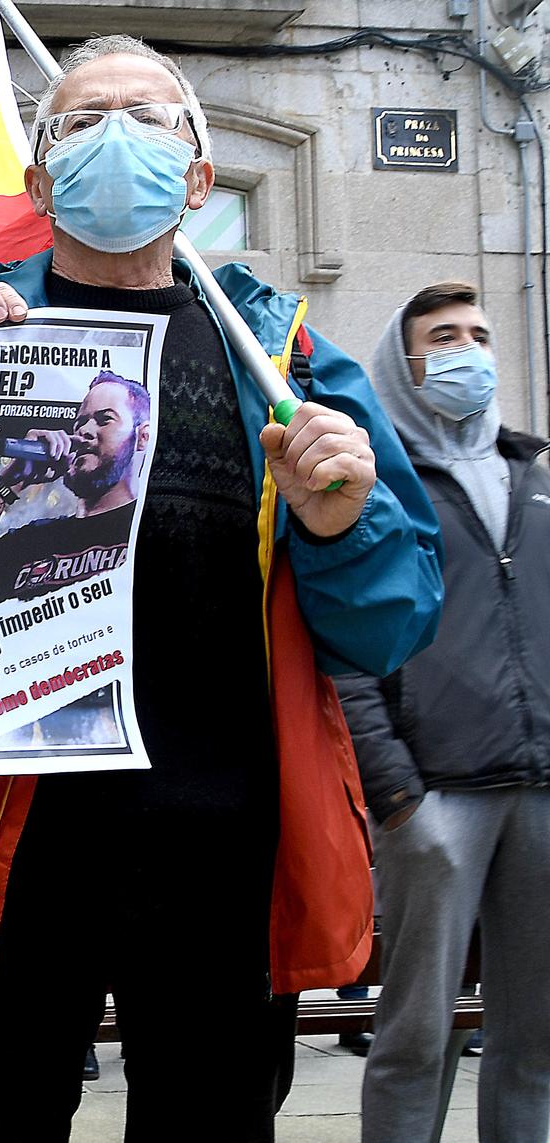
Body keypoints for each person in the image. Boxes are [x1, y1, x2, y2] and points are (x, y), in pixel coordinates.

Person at [0, 35, 442, 1142]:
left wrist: (341, 522)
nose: (114, 142)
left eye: (146, 121)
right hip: (0, 851)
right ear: (38, 181)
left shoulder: (280, 362)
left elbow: (388, 623)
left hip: (221, 856)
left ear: (196, 177)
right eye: (82, 121)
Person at [339, 280, 550, 1143]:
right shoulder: (379, 481)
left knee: (534, 1039)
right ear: (406, 358)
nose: (468, 352)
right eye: (444, 337)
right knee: (416, 1036)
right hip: (435, 800)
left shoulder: (532, 472)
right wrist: (398, 795)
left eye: (479, 335)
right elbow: (349, 645)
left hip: (539, 790)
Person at [0, 372, 149, 616]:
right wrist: (10, 482)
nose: (84, 430)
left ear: (143, 437)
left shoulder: (146, 529)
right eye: (80, 422)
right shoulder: (33, 540)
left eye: (105, 419)